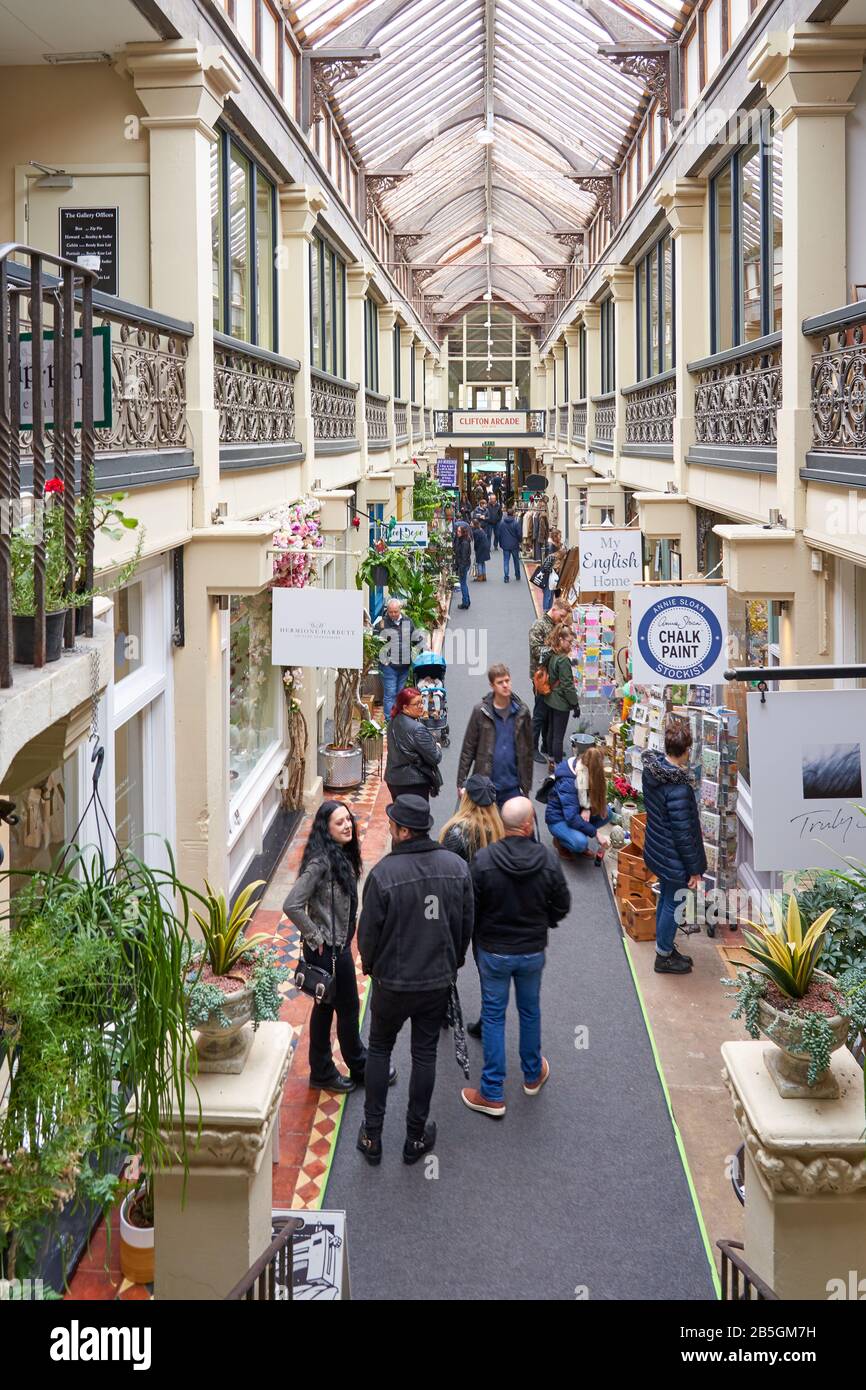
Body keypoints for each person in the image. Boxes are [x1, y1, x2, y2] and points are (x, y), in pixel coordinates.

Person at [357, 794, 474, 1165]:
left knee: (379, 1050)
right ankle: (414, 1136)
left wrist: (373, 968)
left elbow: (368, 936)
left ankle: (372, 1137)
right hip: (435, 982)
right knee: (423, 1055)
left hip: (391, 983)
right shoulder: (456, 868)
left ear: (404, 831)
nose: (389, 829)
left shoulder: (383, 875)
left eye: (392, 824)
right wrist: (452, 963)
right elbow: (465, 924)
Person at [461, 796, 570, 1117]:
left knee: (494, 1016)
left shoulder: (483, 861)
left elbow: (471, 907)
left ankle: (493, 1092)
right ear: (527, 824)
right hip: (531, 950)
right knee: (529, 1010)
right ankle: (532, 1074)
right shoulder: (547, 859)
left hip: (493, 952)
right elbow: (562, 904)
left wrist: (479, 936)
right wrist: (544, 922)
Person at [283, 801, 393, 1094]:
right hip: (327, 950)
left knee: (325, 1007)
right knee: (346, 1007)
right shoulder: (321, 862)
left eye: (348, 820)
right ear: (326, 829)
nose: (347, 826)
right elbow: (292, 904)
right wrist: (315, 936)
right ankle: (358, 1064)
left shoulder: (341, 854)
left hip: (334, 946)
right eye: (339, 822)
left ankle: (322, 1070)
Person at [440, 773, 505, 1040]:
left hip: (458, 910)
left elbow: (444, 874)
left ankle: (444, 1008)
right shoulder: (498, 831)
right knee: (485, 969)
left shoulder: (455, 833)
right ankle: (487, 1019)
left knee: (449, 961)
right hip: (488, 912)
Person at [642, 724, 706, 976]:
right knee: (674, 902)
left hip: (659, 848)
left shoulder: (653, 773)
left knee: (667, 898)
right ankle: (664, 956)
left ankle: (664, 946)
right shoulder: (678, 788)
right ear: (686, 750)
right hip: (673, 856)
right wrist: (694, 869)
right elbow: (684, 833)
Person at [457, 663, 533, 806]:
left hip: (513, 786)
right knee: (486, 828)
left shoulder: (522, 712)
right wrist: (461, 782)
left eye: (507, 681)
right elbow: (468, 748)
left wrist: (526, 787)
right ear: (492, 685)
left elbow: (528, 751)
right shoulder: (480, 712)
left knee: (514, 826)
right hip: (486, 785)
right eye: (500, 682)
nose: (505, 685)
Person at [545, 740, 610, 863]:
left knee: (607, 813)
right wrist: (596, 833)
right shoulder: (569, 782)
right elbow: (571, 818)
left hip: (575, 811)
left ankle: (575, 834)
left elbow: (587, 796)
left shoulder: (582, 767)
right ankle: (561, 842)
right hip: (558, 818)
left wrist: (587, 808)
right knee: (580, 843)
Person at [529, 598, 571, 763]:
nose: (561, 620)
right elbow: (535, 651)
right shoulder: (538, 626)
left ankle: (546, 745)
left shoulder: (554, 624)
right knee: (540, 713)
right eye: (561, 616)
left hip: (552, 675)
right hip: (541, 676)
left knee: (549, 712)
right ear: (554, 609)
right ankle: (531, 748)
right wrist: (556, 649)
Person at [384, 686, 442, 804]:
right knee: (416, 820)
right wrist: (437, 747)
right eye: (417, 704)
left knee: (400, 818)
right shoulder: (418, 729)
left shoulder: (393, 722)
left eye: (422, 702)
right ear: (405, 707)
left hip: (393, 779)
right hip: (412, 783)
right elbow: (435, 757)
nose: (421, 706)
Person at [374, 597, 421, 727]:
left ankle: (398, 719)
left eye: (396, 611)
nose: (393, 614)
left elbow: (416, 637)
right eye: (391, 612)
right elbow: (376, 643)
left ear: (400, 610)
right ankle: (390, 722)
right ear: (387, 611)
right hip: (389, 666)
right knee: (390, 694)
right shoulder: (383, 624)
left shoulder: (408, 621)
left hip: (404, 665)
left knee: (400, 694)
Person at [542, 624, 580, 766]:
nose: (570, 644)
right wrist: (575, 704)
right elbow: (567, 685)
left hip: (550, 698)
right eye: (569, 641)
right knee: (559, 735)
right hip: (560, 702)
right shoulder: (563, 660)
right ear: (561, 639)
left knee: (551, 731)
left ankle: (551, 759)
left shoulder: (553, 653)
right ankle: (558, 765)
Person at [499, 506, 523, 582]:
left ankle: (506, 577)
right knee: (516, 561)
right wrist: (520, 541)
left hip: (505, 545)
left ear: (507, 514)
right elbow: (519, 534)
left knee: (506, 561)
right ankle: (517, 575)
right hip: (514, 545)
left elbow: (499, 534)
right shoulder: (516, 523)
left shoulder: (502, 523)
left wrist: (501, 543)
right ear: (513, 514)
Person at [455, 522, 472, 609]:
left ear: (462, 532)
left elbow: (463, 557)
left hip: (463, 566)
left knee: (463, 584)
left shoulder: (464, 543)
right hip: (464, 565)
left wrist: (461, 568)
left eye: (458, 531)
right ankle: (467, 601)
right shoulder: (463, 540)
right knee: (464, 583)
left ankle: (465, 602)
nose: (457, 533)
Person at [471, 516, 490, 581]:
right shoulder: (481, 529)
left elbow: (476, 542)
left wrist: (475, 549)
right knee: (482, 562)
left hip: (481, 548)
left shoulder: (476, 532)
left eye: (471, 523)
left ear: (474, 524)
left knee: (479, 561)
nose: (470, 524)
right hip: (485, 546)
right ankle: (484, 575)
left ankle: (480, 576)